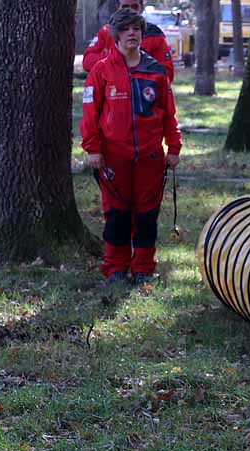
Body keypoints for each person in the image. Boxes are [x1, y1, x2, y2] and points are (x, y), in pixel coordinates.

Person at [80, 7, 182, 285]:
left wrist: (173, 148)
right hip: (113, 157)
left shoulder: (156, 71)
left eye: (136, 29)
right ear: (116, 35)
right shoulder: (101, 71)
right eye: (126, 30)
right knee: (117, 215)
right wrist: (93, 149)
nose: (131, 34)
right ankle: (115, 268)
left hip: (150, 156)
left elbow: (168, 114)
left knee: (147, 215)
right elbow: (90, 113)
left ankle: (143, 268)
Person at [83, 0, 175, 82]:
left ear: (142, 8)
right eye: (125, 7)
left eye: (134, 6)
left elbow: (167, 73)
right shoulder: (106, 31)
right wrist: (115, 57)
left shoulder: (154, 35)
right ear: (118, 8)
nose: (130, 11)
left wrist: (140, 63)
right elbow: (87, 62)